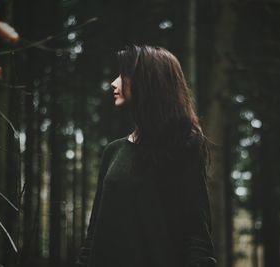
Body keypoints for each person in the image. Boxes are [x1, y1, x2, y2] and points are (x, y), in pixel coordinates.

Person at [76, 45, 217, 267]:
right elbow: (93, 236)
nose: (114, 83)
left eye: (123, 75)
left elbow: (195, 234)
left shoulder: (184, 147)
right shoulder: (113, 152)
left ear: (149, 81)